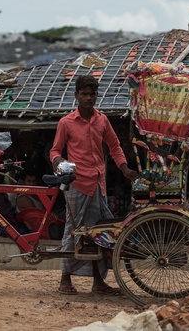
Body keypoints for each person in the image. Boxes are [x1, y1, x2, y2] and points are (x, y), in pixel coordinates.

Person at [49, 75, 138, 295]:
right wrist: (59, 162)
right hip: (76, 184)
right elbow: (54, 151)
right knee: (73, 230)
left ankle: (98, 282)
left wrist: (124, 168)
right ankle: (64, 279)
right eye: (85, 94)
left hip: (98, 184)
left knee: (99, 232)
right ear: (77, 95)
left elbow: (115, 146)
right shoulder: (66, 122)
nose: (89, 98)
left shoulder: (102, 120)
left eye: (92, 94)